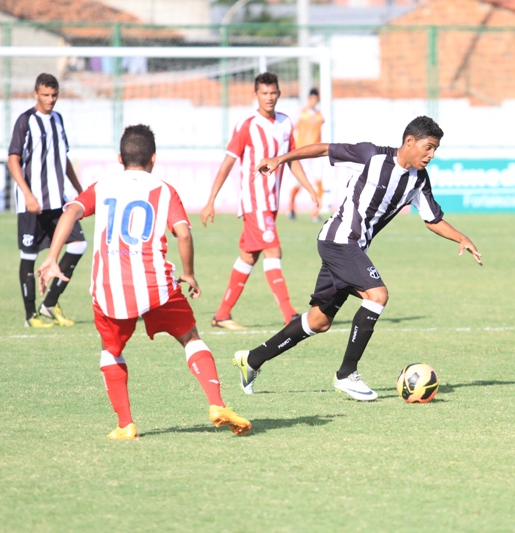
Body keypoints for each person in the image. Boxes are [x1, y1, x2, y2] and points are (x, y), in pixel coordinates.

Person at [232, 115, 482, 401]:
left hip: (351, 248)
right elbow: (325, 148)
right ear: (410, 141)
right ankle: (346, 374)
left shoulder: (418, 180)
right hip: (339, 240)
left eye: (436, 149)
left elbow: (432, 219)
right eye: (428, 147)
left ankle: (252, 359)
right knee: (378, 295)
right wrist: (280, 158)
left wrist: (461, 237)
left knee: (318, 322)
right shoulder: (371, 156)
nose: (432, 155)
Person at [36, 124, 252, 440]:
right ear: (153, 158)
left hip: (108, 289)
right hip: (156, 286)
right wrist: (188, 273)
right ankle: (216, 404)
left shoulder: (102, 186)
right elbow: (183, 233)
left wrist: (53, 257)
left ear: (119, 158)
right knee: (190, 337)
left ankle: (126, 424)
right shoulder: (163, 189)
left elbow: (71, 211)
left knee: (111, 351)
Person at [200, 72, 319, 331]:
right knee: (273, 250)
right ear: (255, 95)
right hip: (255, 202)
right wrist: (211, 200)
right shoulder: (247, 125)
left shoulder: (286, 123)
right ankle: (290, 315)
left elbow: (292, 159)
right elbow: (228, 163)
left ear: (279, 93)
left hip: (272, 202)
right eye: (264, 93)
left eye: (273, 92)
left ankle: (222, 314)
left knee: (248, 256)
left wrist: (308, 187)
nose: (269, 98)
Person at [9, 73, 87, 328]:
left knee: (78, 245)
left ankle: (50, 302)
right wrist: (28, 194)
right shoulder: (25, 121)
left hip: (58, 201)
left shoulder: (58, 119)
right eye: (45, 95)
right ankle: (31, 315)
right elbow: (13, 160)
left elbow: (63, 158)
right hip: (33, 204)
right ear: (36, 94)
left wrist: (80, 190)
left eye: (54, 95)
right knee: (29, 256)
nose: (50, 100)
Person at [288, 88, 325, 222]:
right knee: (298, 182)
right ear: (309, 99)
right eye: (312, 99)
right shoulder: (301, 114)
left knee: (319, 182)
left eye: (316, 100)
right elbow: (292, 129)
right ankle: (291, 208)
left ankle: (315, 213)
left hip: (315, 155)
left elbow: (320, 133)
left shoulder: (320, 116)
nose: (314, 102)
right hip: (302, 153)